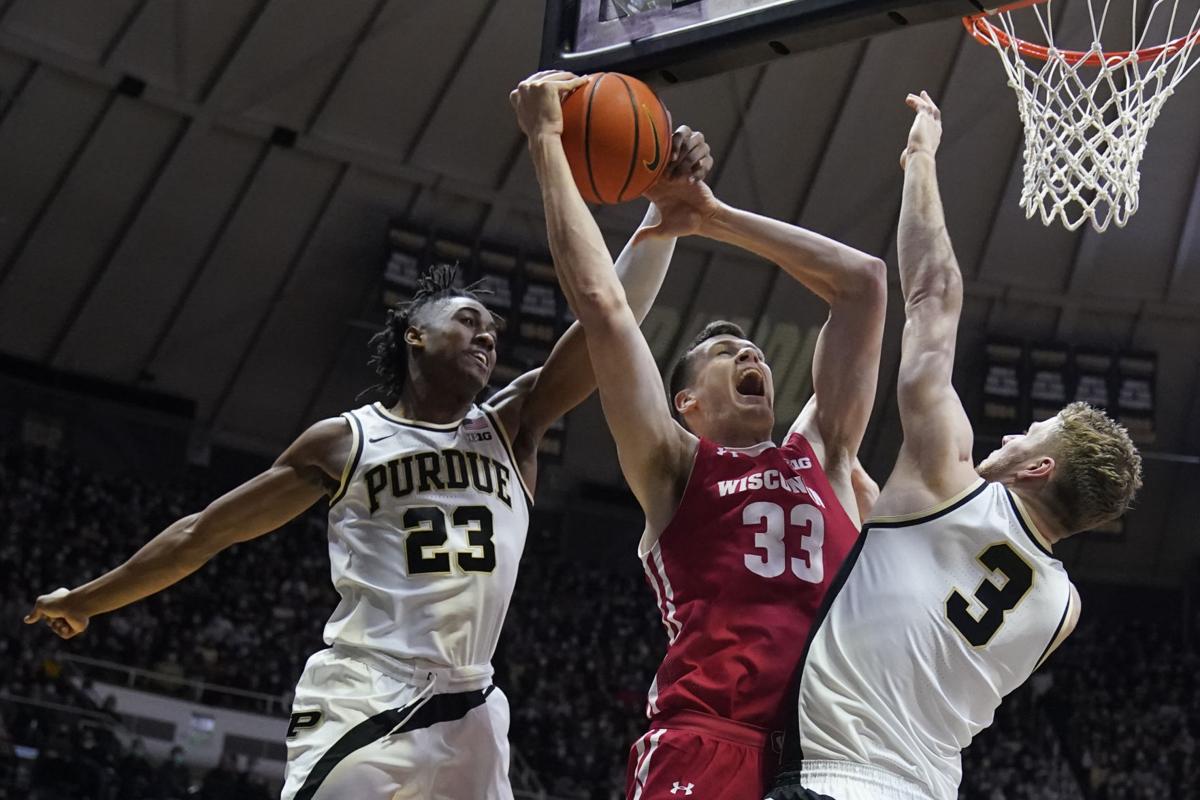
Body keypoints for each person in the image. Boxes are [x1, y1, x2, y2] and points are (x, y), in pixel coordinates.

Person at [22, 106, 713, 799]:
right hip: (365, 691)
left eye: (494, 330)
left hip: (472, 705)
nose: (487, 337)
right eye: (468, 320)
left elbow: (608, 319)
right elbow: (203, 534)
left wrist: (660, 224)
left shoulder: (513, 424)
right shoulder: (345, 441)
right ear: (415, 333)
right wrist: (88, 599)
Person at [510, 71, 886, 799]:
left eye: (754, 352)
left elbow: (864, 285)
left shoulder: (824, 453)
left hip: (831, 758)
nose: (751, 356)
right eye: (725, 353)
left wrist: (707, 215)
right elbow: (603, 307)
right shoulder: (674, 464)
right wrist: (548, 140)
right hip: (707, 741)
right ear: (686, 403)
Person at [766, 92, 1143, 800]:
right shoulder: (1063, 610)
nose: (1011, 434)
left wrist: (920, 159)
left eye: (1030, 433)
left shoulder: (946, 475)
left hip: (836, 781)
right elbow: (938, 594)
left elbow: (934, 293)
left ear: (1038, 467)